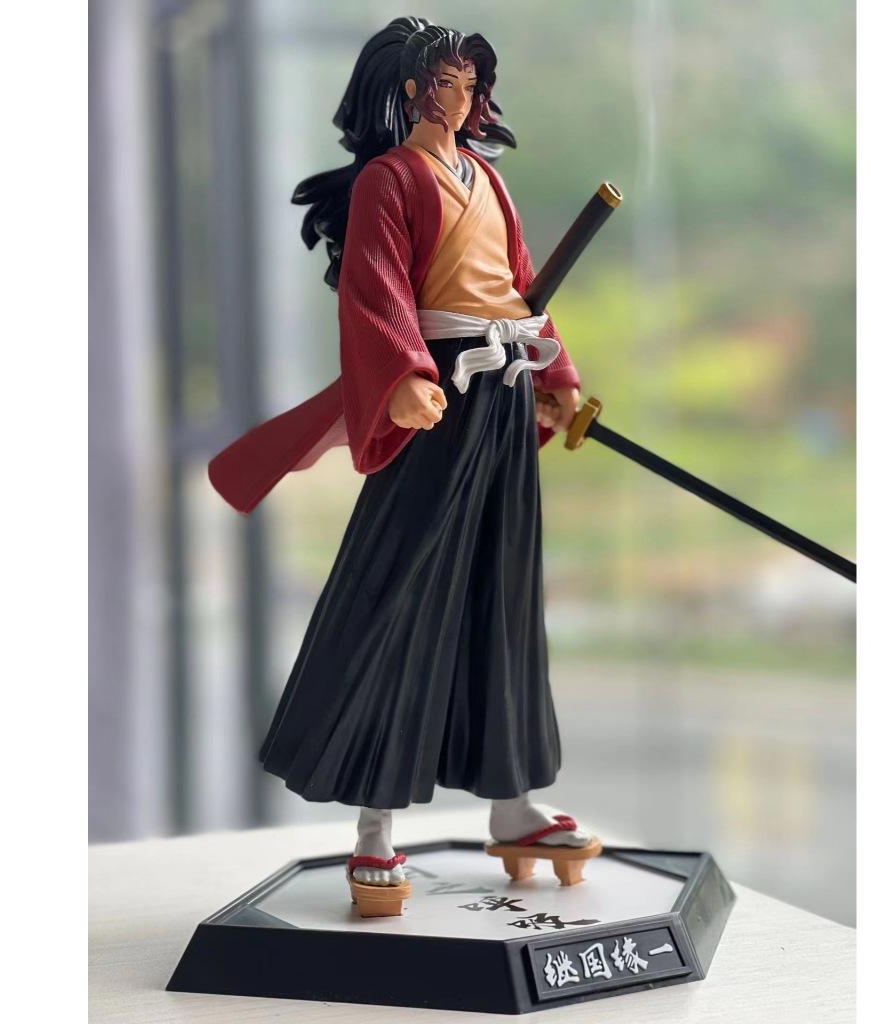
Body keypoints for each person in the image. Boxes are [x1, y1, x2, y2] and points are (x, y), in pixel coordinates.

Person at [209, 17, 597, 901]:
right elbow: (374, 289)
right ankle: (374, 826)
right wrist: (402, 378)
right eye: (445, 83)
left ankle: (513, 804)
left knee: (504, 593)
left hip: (501, 393)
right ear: (412, 89)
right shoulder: (391, 179)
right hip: (436, 395)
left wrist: (556, 377)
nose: (462, 98)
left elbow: (521, 291)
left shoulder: (486, 179)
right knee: (401, 593)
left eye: (471, 83)